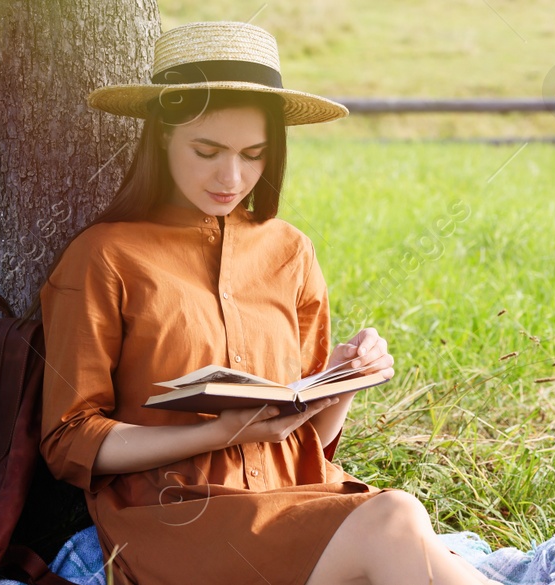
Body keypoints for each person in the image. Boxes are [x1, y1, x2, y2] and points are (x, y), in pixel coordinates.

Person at [35, 21, 501, 585]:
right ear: (162, 135)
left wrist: (342, 378)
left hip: (302, 498)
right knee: (395, 518)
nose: (231, 177)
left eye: (253, 155)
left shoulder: (289, 250)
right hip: (178, 522)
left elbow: (309, 435)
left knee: (399, 520)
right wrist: (218, 433)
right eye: (207, 150)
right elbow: (68, 442)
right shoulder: (104, 256)